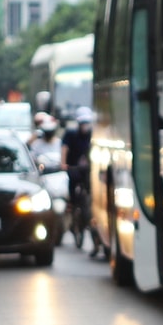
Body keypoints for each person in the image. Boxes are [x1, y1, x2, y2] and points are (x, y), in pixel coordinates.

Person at [60, 109, 102, 257]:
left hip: (88, 171)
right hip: (73, 169)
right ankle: (71, 205)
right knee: (72, 188)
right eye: (82, 123)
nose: (85, 126)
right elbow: (64, 148)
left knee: (89, 201)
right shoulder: (71, 134)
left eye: (87, 123)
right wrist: (64, 164)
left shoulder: (92, 135)